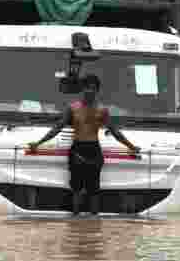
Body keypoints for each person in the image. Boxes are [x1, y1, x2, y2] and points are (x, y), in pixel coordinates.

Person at [25, 75, 140, 216]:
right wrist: (38, 143)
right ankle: (75, 221)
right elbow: (57, 127)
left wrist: (131, 146)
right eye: (87, 87)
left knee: (94, 191)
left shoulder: (102, 110)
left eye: (92, 88)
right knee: (76, 190)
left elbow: (115, 132)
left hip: (94, 151)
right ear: (82, 89)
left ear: (97, 90)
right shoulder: (73, 108)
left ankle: (94, 223)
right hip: (77, 151)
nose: (89, 91)